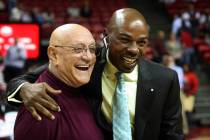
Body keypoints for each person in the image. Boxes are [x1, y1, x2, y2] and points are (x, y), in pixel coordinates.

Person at [7, 8, 183, 140]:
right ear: (106, 37)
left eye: (142, 42)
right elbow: (32, 77)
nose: (133, 50)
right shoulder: (88, 62)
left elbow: (172, 134)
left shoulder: (165, 79)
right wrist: (24, 89)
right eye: (124, 40)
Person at [14, 24, 104, 140]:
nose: (88, 57)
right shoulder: (39, 108)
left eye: (92, 49)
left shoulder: (83, 86)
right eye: (77, 49)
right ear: (53, 54)